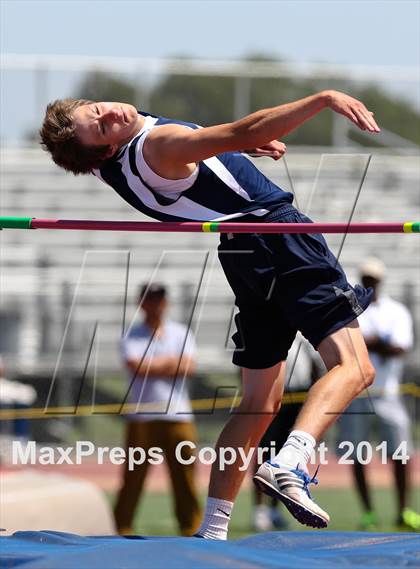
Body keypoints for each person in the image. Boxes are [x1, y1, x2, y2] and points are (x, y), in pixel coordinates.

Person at [40, 89, 380, 539]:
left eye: (99, 110)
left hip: (241, 251)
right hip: (280, 236)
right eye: (103, 127)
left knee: (260, 403)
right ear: (105, 149)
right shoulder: (158, 145)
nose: (113, 115)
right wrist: (322, 100)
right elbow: (243, 130)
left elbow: (220, 145)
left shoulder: (110, 165)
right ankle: (291, 461)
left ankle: (213, 529)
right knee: (355, 366)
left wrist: (229, 149)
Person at [338, 258, 419, 531]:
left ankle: (403, 510)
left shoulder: (395, 311)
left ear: (380, 281)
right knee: (357, 455)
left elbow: (399, 348)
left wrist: (371, 343)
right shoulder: (352, 311)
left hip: (388, 394)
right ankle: (369, 513)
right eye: (366, 278)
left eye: (374, 279)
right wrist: (379, 343)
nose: (370, 283)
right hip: (357, 395)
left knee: (401, 454)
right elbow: (349, 345)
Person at [113, 283, 201, 536]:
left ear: (166, 302)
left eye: (159, 299)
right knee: (132, 478)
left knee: (185, 477)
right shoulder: (131, 335)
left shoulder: (181, 332)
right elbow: (136, 367)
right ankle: (121, 528)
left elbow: (188, 367)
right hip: (142, 418)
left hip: (178, 415)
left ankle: (190, 527)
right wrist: (170, 364)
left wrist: (153, 365)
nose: (155, 304)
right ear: (141, 303)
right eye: (150, 299)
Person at [252, 337, 319, 532]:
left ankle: (275, 509)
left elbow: (314, 364)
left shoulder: (303, 330)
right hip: (273, 392)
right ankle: (260, 509)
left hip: (298, 396)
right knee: (264, 451)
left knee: (287, 453)